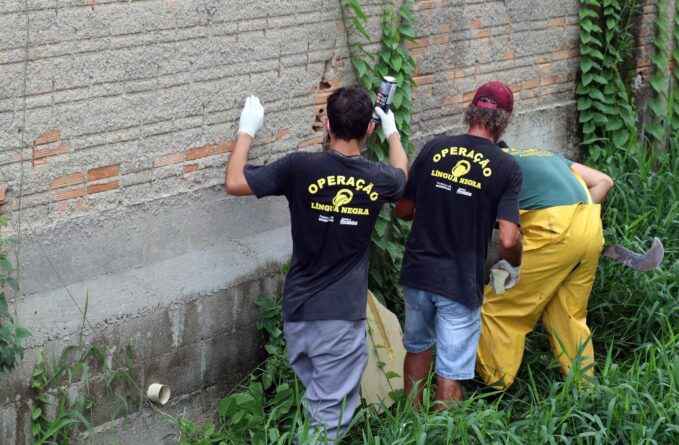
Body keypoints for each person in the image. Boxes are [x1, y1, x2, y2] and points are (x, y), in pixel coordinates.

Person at [224, 87, 408, 442]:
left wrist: (247, 129)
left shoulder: (299, 167)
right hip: (339, 320)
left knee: (319, 407)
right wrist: (393, 130)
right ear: (368, 129)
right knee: (327, 423)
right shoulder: (378, 178)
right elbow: (402, 175)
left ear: (326, 124)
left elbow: (234, 182)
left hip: (298, 314)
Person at [395, 81, 523, 409]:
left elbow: (403, 210)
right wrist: (511, 265)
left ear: (471, 111)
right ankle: (440, 433)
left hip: (418, 272)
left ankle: (411, 422)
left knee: (418, 347)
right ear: (505, 120)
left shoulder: (434, 147)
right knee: (450, 373)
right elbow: (508, 238)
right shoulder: (507, 166)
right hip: (459, 279)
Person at [476, 143, 613, 390]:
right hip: (590, 226)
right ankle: (585, 388)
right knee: (569, 312)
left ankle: (493, 384)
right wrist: (575, 226)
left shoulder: (495, 166)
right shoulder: (548, 155)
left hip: (553, 232)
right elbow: (604, 181)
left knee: (499, 302)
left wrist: (563, 230)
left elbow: (503, 231)